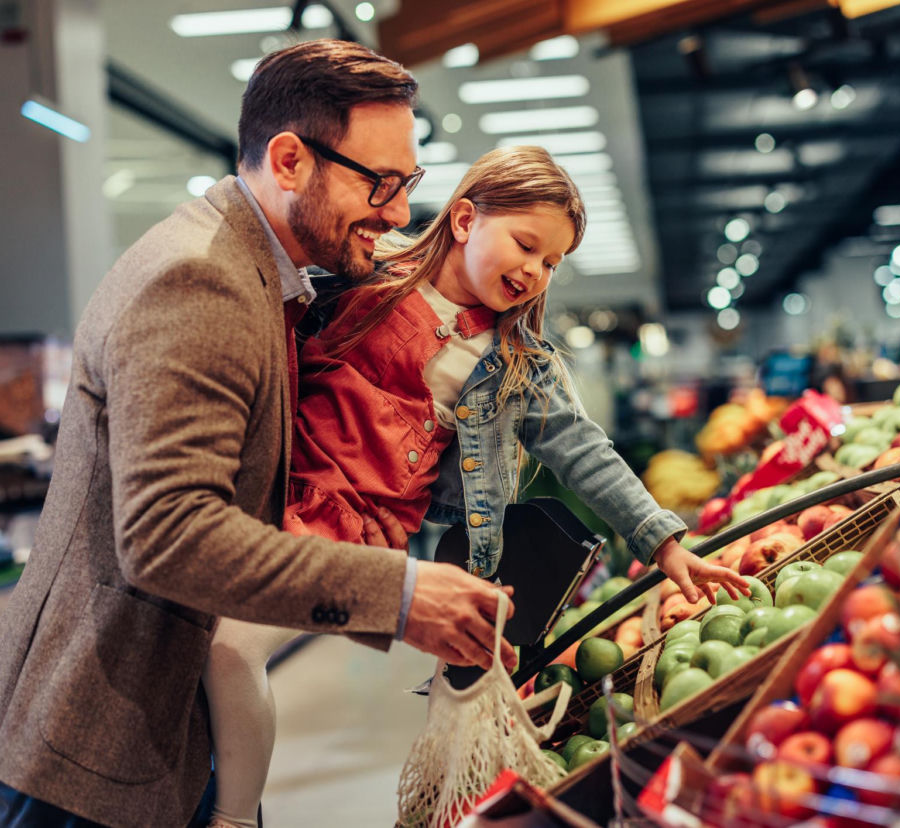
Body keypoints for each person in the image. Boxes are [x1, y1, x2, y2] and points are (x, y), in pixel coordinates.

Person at [0, 40, 516, 828]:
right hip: (94, 754)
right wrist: (402, 594)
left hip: (161, 726)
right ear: (288, 160)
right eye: (380, 182)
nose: (400, 211)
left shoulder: (262, 273)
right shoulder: (199, 280)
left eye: (406, 182)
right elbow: (171, 534)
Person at [203, 146, 751, 828]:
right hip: (263, 495)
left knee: (232, 648)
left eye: (552, 262)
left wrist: (663, 541)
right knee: (208, 650)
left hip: (355, 532)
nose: (535, 271)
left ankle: (232, 819)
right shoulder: (364, 279)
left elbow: (585, 451)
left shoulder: (519, 366)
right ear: (464, 218)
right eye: (526, 244)